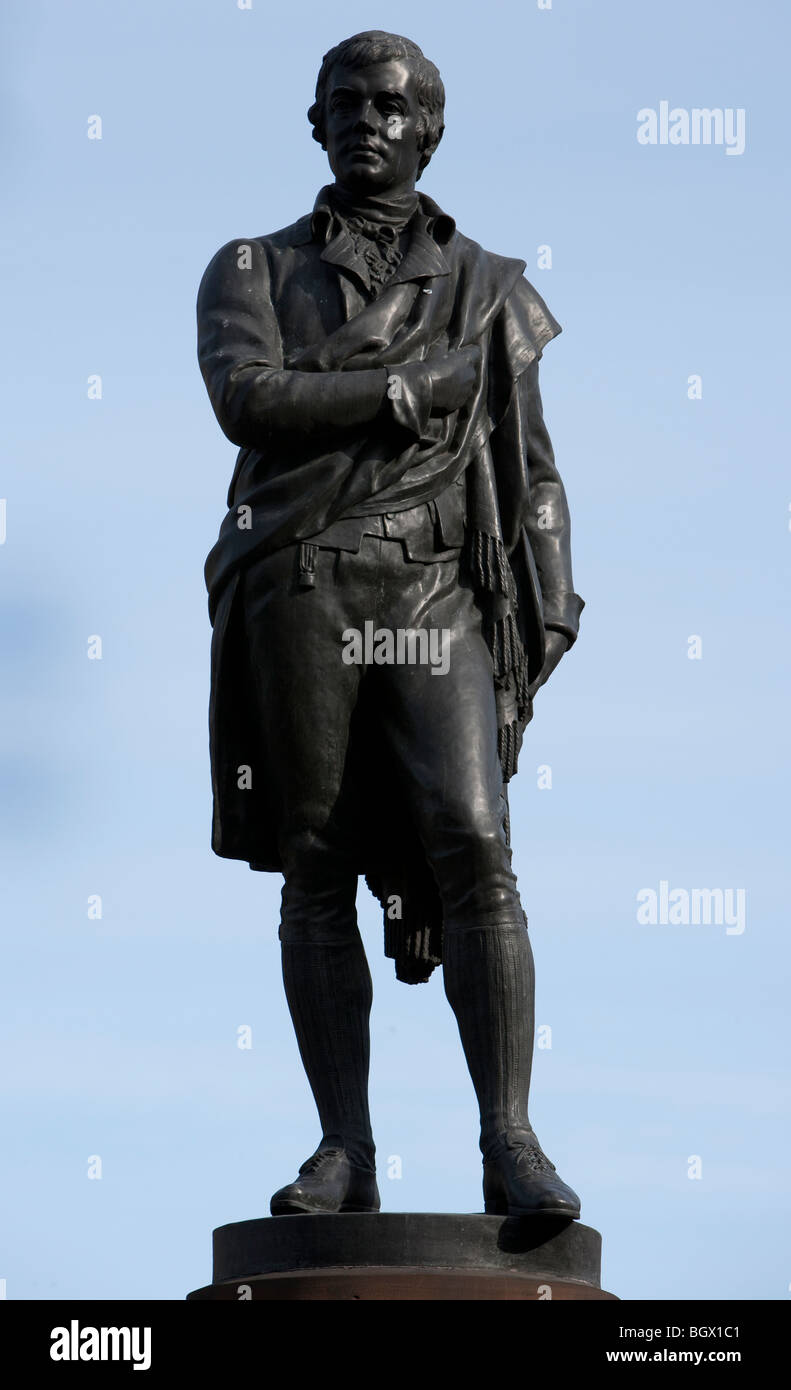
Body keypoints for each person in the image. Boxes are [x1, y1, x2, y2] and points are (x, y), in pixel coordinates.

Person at [197, 30, 585, 1219]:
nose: (369, 120)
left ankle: (508, 1141)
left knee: (472, 839)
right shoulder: (252, 267)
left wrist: (549, 611)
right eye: (345, 104)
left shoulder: (488, 291)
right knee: (312, 859)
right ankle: (343, 1149)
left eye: (392, 105)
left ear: (429, 129)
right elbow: (246, 398)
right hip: (304, 584)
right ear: (314, 123)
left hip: (432, 595)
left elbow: (532, 476)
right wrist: (404, 391)